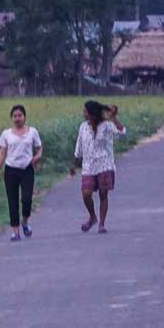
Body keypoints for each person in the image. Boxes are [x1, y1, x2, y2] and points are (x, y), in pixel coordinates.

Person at [70, 100, 126, 234]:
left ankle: (102, 223)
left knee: (103, 194)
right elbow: (79, 147)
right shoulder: (83, 127)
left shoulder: (106, 126)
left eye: (85, 111)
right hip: (88, 166)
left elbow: (122, 132)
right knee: (86, 193)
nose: (83, 114)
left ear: (91, 113)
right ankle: (92, 216)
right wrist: (74, 165)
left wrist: (113, 117)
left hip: (104, 164)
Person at [0, 104, 42, 242]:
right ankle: (15, 232)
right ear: (11, 118)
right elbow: (2, 153)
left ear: (25, 117)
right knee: (12, 201)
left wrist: (37, 157)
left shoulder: (32, 132)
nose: (17, 118)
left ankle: (25, 221)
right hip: (11, 170)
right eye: (15, 116)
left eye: (20, 115)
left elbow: (39, 148)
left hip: (27, 169)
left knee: (26, 199)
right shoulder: (6, 134)